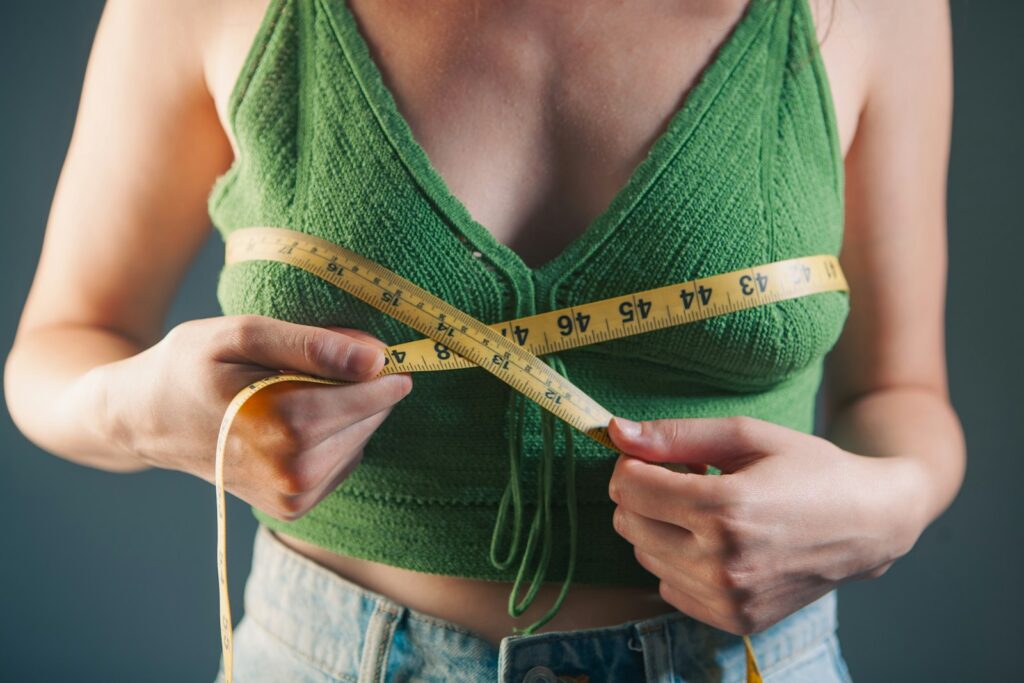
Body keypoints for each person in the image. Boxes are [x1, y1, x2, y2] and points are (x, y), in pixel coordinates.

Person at [4, 0, 963, 681]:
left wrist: (894, 502)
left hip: (738, 664)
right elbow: (57, 347)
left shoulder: (869, 10)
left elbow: (902, 392)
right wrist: (143, 411)